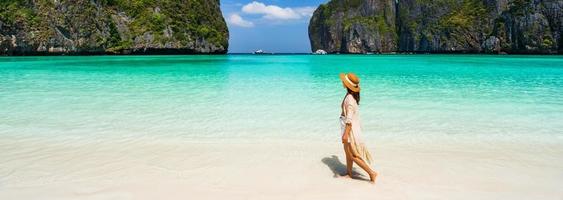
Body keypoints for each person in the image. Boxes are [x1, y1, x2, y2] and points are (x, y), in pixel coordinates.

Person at [339, 72, 378, 183]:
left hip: (349, 129)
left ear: (347, 84)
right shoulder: (349, 95)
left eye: (344, 81)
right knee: (348, 153)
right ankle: (349, 174)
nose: (342, 82)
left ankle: (372, 173)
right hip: (346, 127)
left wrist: (346, 134)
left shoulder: (350, 99)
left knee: (353, 155)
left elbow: (349, 119)